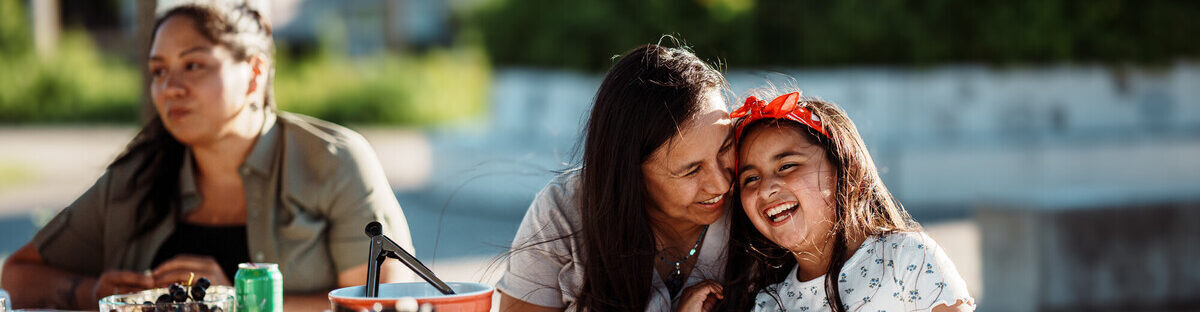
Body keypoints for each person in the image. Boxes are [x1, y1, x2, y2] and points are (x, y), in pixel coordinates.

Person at [0, 3, 414, 310]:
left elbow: (384, 304)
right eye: (158, 71)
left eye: (194, 65)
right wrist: (91, 293)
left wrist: (238, 301)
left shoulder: (334, 161)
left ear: (254, 74)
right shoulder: (135, 178)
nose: (170, 87)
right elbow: (18, 276)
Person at [496, 43, 736, 311]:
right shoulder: (563, 211)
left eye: (726, 148)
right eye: (691, 170)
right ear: (629, 172)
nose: (722, 184)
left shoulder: (759, 199)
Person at [683, 91, 974, 311]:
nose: (766, 189)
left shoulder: (906, 257)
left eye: (787, 166)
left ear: (849, 170)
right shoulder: (771, 304)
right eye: (750, 179)